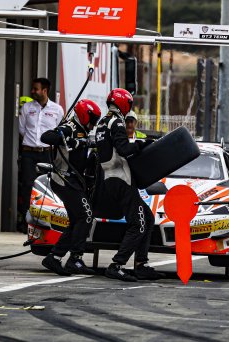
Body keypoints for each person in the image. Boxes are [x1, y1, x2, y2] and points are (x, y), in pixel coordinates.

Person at [95, 88, 163, 282]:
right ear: (124, 104)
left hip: (111, 178)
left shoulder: (102, 123)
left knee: (148, 219)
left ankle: (141, 264)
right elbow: (124, 149)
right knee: (139, 224)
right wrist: (144, 144)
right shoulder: (116, 122)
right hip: (121, 178)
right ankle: (117, 265)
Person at [40, 99, 102, 276]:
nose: (94, 124)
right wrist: (67, 138)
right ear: (84, 116)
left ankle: (55, 257)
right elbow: (46, 137)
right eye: (93, 120)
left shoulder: (83, 130)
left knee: (78, 220)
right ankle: (75, 258)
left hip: (74, 181)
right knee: (86, 215)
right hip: (63, 179)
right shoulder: (69, 127)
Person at [18, 78, 64, 223]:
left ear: (44, 91)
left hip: (47, 153)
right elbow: (21, 130)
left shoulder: (57, 109)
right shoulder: (26, 108)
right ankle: (27, 220)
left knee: (47, 186)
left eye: (35, 89)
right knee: (27, 185)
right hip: (28, 153)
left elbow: (58, 133)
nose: (32, 91)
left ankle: (45, 219)